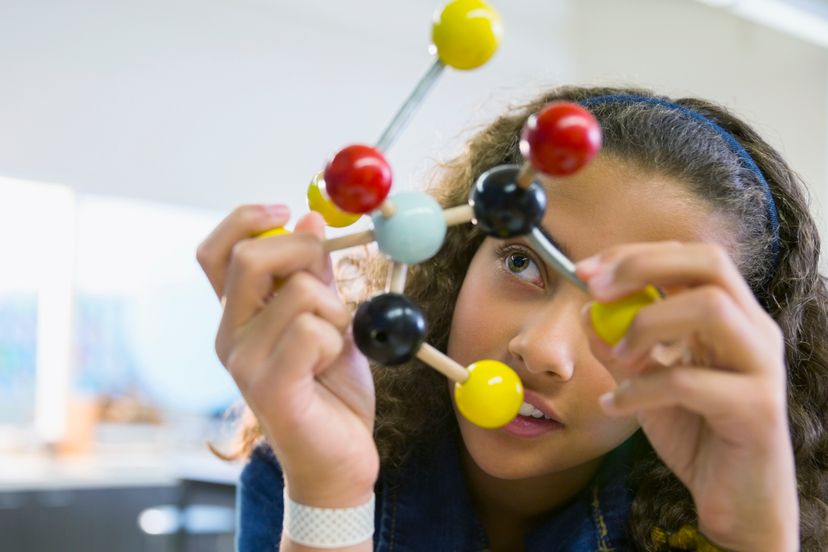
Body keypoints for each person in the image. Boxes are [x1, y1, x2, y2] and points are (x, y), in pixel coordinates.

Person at [196, 86, 828, 551]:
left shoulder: (741, 525)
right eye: (523, 263)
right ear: (458, 253)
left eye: (632, 309)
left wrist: (754, 537)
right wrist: (330, 494)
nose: (542, 348)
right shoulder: (302, 465)